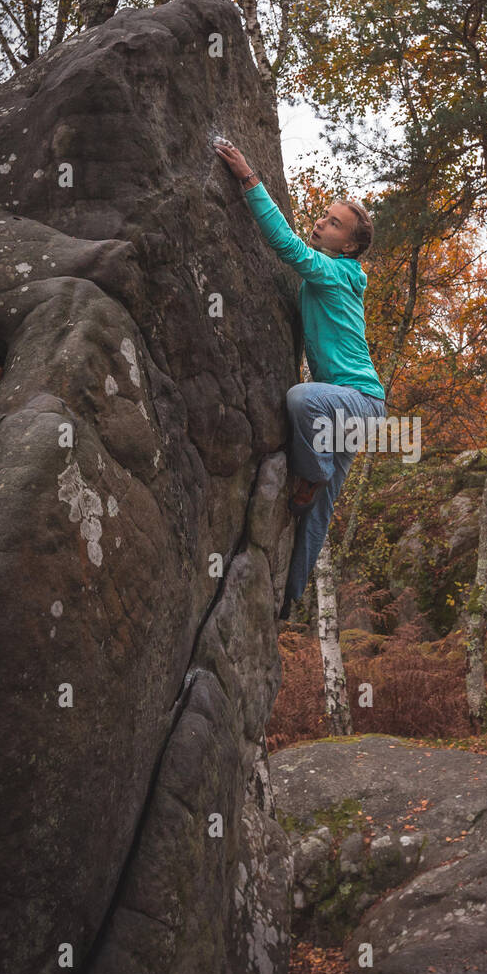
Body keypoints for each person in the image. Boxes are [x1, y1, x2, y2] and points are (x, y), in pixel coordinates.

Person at [212, 137, 387, 620]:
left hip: (360, 404)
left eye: (333, 223)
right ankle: (288, 600)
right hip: (347, 410)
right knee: (314, 516)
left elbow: (285, 244)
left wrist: (249, 179)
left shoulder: (335, 272)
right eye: (324, 216)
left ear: (349, 245)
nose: (321, 223)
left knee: (301, 400)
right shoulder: (334, 274)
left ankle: (314, 472)